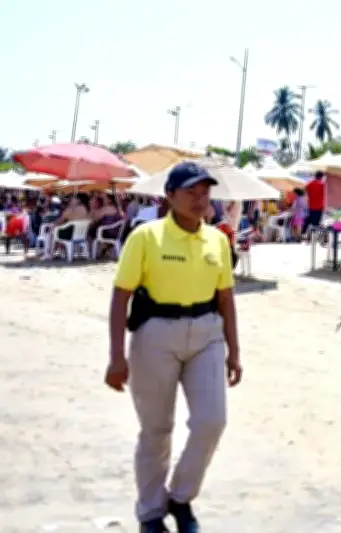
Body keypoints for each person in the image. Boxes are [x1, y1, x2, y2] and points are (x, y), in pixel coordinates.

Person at [105, 161, 242, 533]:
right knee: (156, 429)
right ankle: (150, 513)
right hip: (155, 336)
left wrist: (235, 351)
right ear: (170, 196)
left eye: (205, 193)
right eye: (191, 193)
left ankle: (180, 498)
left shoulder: (217, 239)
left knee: (212, 422)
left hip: (206, 336)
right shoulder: (146, 237)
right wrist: (116, 356)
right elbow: (121, 297)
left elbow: (226, 299)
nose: (200, 201)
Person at [302, 170, 326, 236]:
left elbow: (304, 192)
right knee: (316, 223)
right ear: (322, 177)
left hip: (311, 206)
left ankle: (304, 232)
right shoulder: (323, 184)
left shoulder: (309, 184)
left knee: (309, 220)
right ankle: (313, 236)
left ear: (315, 176)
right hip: (320, 206)